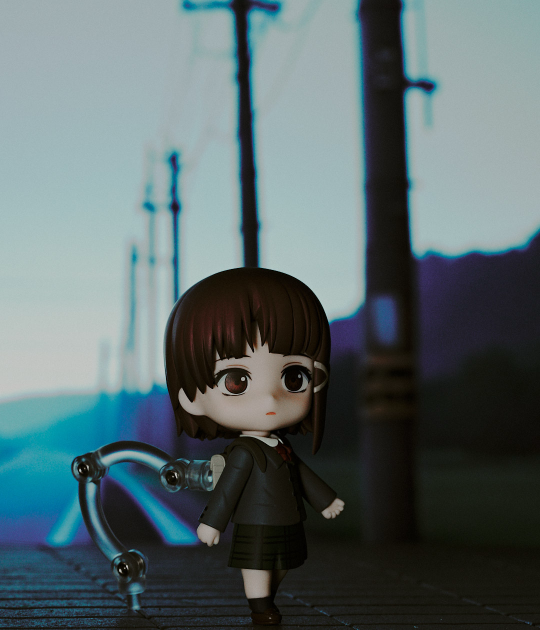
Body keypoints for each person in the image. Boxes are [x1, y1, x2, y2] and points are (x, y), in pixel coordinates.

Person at [164, 267, 344, 626]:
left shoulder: (281, 445)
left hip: (288, 517)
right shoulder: (244, 452)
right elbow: (229, 489)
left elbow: (301, 474)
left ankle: (265, 599)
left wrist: (325, 500)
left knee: (285, 562)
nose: (270, 397)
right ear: (192, 398)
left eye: (294, 376)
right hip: (255, 521)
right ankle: (261, 607)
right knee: (257, 564)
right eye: (237, 381)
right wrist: (212, 523)